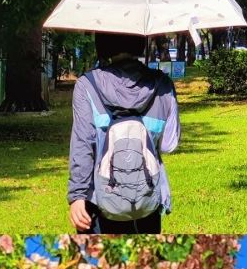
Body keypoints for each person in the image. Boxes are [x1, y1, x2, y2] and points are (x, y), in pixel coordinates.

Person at [67, 33, 180, 233]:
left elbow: (83, 144)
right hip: (147, 200)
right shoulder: (163, 85)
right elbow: (169, 144)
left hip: (98, 202)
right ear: (141, 41)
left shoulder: (88, 85)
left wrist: (77, 196)